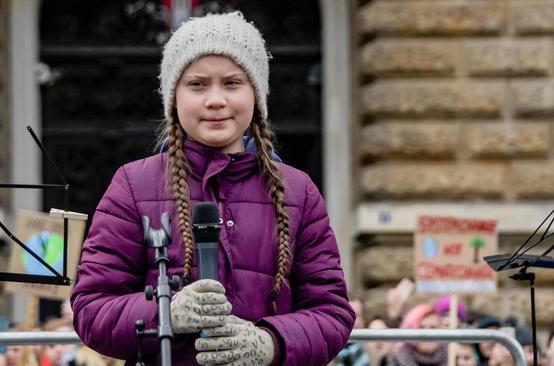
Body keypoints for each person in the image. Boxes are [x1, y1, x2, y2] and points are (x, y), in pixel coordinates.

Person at [70, 11, 355, 366]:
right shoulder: (132, 185)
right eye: (198, 84)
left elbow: (331, 313)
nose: (215, 99)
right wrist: (167, 313)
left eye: (233, 83)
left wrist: (270, 344)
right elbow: (91, 311)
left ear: (256, 95)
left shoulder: (299, 191)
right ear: (173, 97)